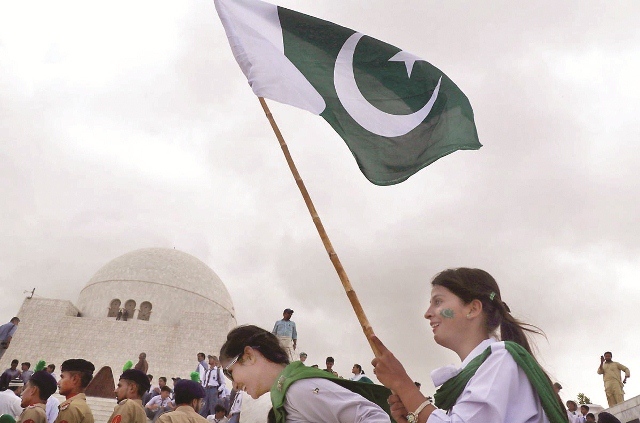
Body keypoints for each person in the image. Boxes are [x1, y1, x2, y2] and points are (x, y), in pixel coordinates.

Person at [371, 267, 567, 423]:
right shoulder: (479, 371)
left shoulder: (500, 361)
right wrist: (415, 417)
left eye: (438, 301)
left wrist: (403, 385)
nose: (428, 313)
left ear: (473, 309)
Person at [219, 325, 391, 423]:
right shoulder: (287, 394)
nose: (233, 384)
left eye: (230, 372)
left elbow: (374, 417)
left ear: (248, 356)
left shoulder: (298, 390)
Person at [54, 359, 95, 423]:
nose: (58, 382)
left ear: (75, 379)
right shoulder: (81, 405)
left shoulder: (71, 408)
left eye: (62, 377)